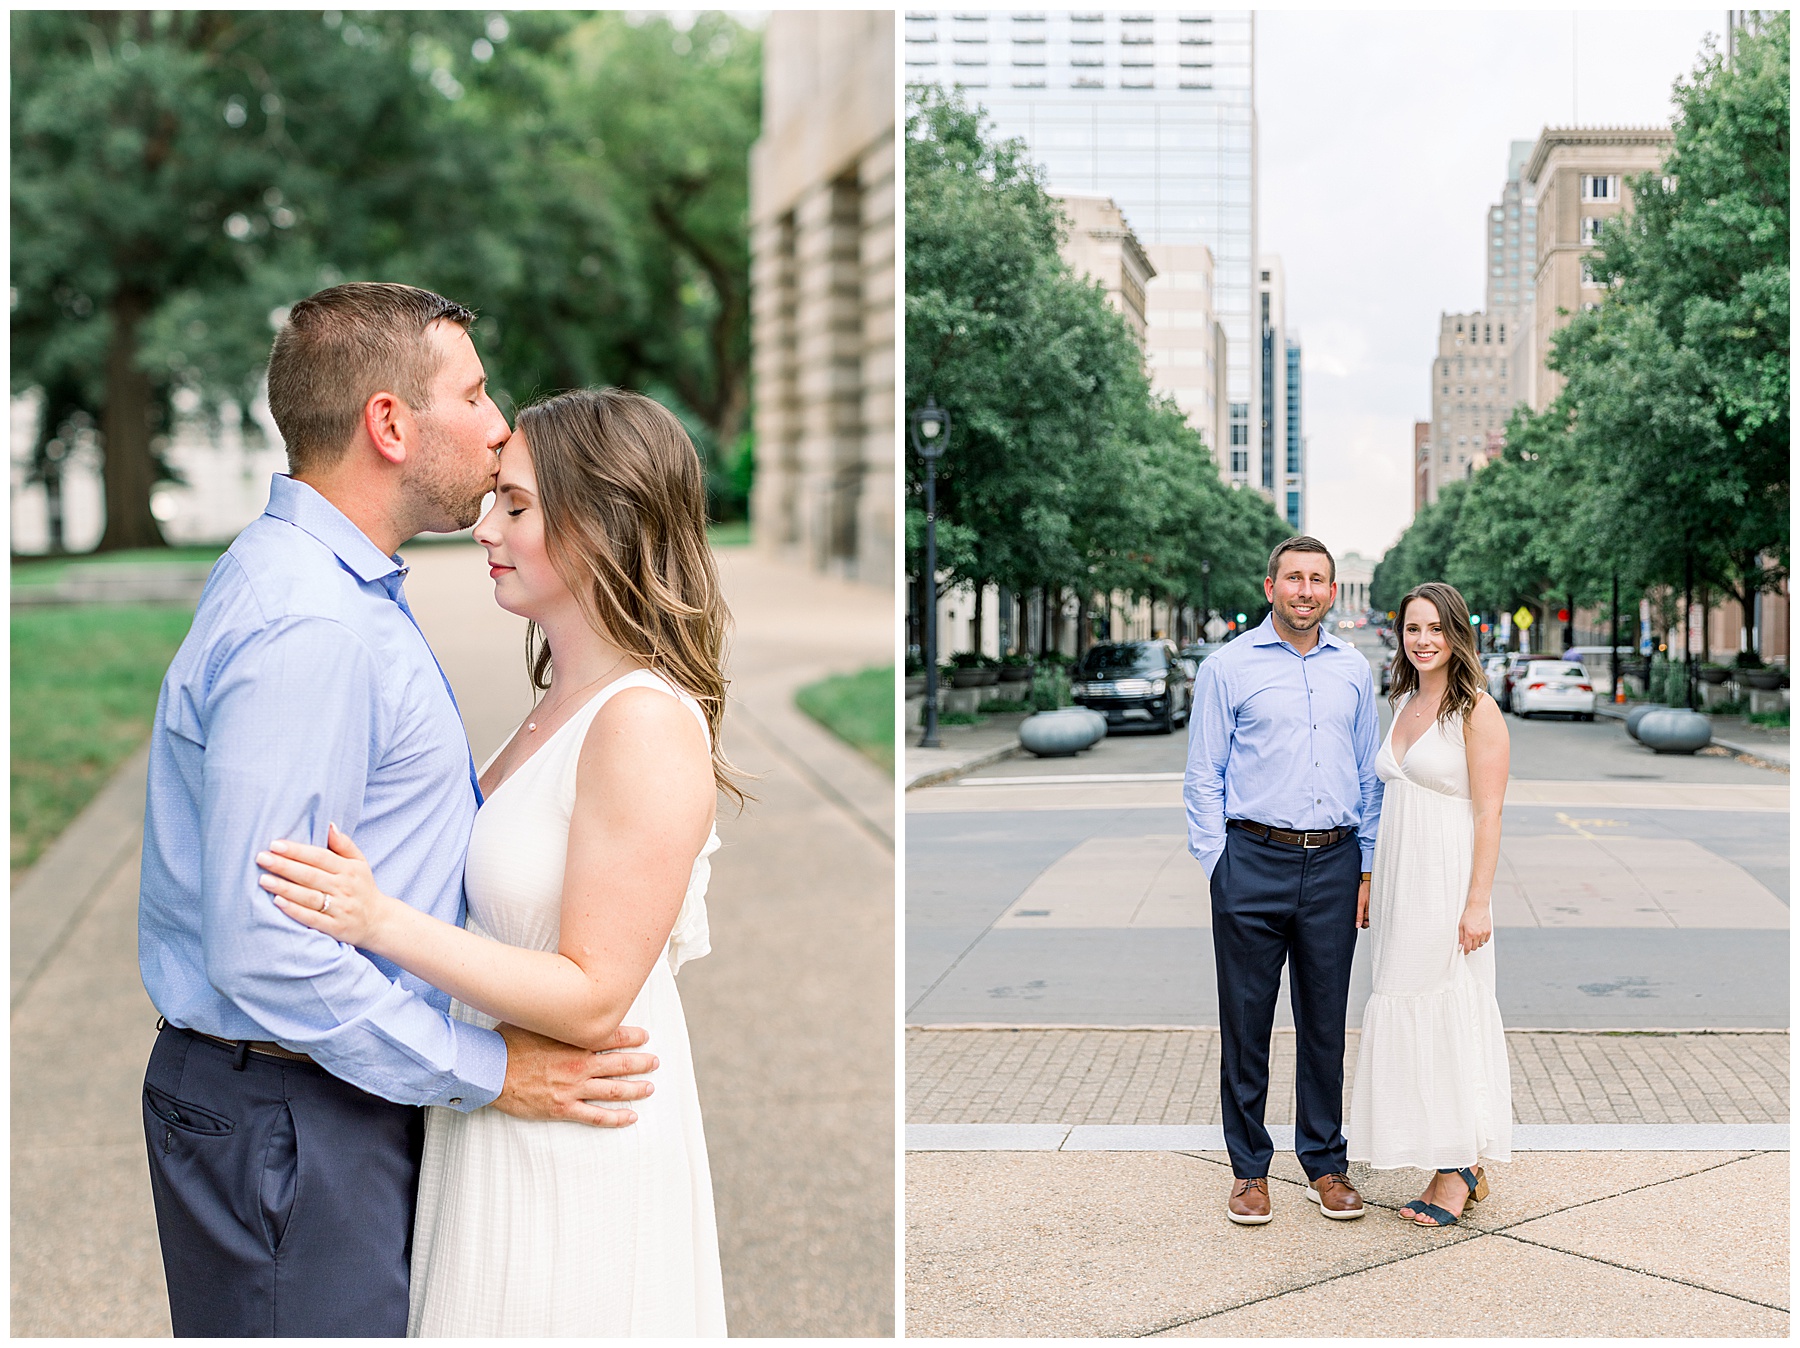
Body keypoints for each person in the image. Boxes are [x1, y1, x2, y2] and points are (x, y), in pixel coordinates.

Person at [137, 284, 658, 1338]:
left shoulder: (329, 587)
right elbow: (269, 950)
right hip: (295, 1110)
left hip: (319, 1098)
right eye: (472, 392)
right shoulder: (312, 625)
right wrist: (492, 1073)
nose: (499, 420)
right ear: (389, 424)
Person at [255, 386, 733, 1335]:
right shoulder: (560, 697)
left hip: (575, 1147)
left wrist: (378, 919)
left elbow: (596, 995)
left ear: (603, 522)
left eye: (517, 505)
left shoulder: (641, 722)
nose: (484, 527)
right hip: (501, 1114)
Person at [1184, 535, 1383, 1226]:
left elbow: (1368, 775)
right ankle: (1249, 1171)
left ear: (1332, 591)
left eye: (1317, 580)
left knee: (1325, 1023)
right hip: (1251, 861)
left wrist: (1365, 865)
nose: (1306, 590)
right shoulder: (1227, 667)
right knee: (1247, 1026)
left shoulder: (1353, 671)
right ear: (1270, 587)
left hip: (1332, 863)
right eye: (1293, 578)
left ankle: (1325, 1164)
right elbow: (1202, 775)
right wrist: (1219, 865)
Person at [1348, 581, 1512, 1227]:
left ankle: (1459, 1168)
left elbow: (1491, 812)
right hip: (1399, 882)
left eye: (1435, 629)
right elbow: (1387, 799)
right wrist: (1366, 880)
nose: (1423, 640)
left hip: (1448, 882)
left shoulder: (1478, 709)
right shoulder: (1405, 700)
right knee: (1399, 999)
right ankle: (1436, 1149)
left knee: (1450, 1009)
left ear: (1457, 635)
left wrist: (1478, 903)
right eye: (1413, 629)